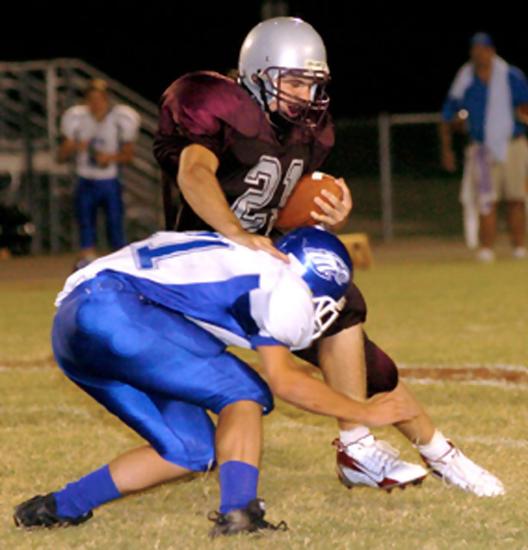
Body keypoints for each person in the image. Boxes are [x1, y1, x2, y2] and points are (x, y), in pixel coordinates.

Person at [154, 17, 505, 497]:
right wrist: (237, 234)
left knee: (361, 345)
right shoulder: (212, 103)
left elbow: (281, 200)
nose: (305, 95)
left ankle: (433, 453)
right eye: (294, 81)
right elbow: (195, 174)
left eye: (313, 84)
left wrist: (326, 209)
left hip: (257, 266)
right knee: (187, 438)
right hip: (193, 276)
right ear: (257, 74)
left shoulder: (308, 132)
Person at [12, 227, 418, 536]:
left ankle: (57, 507)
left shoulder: (245, 256)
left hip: (73, 329)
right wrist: (362, 411)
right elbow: (285, 381)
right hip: (116, 309)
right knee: (244, 392)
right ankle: (240, 512)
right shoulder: (280, 282)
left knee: (191, 450)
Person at [441, 32, 528, 262]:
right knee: (486, 200)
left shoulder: (511, 75)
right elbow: (448, 114)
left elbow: (524, 107)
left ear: (491, 51)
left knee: (517, 198)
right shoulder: (466, 78)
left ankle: (519, 247)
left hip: (513, 144)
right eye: (474, 49)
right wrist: (448, 145)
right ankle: (487, 248)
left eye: (482, 49)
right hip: (481, 148)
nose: (478, 53)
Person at [58, 79, 140, 268]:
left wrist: (110, 158)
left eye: (99, 98)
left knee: (115, 225)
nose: (95, 103)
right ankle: (87, 264)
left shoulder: (119, 118)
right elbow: (60, 157)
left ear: (106, 99)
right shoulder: (77, 118)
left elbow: (129, 156)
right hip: (85, 179)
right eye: (91, 98)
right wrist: (71, 147)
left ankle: (121, 266)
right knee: (85, 224)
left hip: (109, 180)